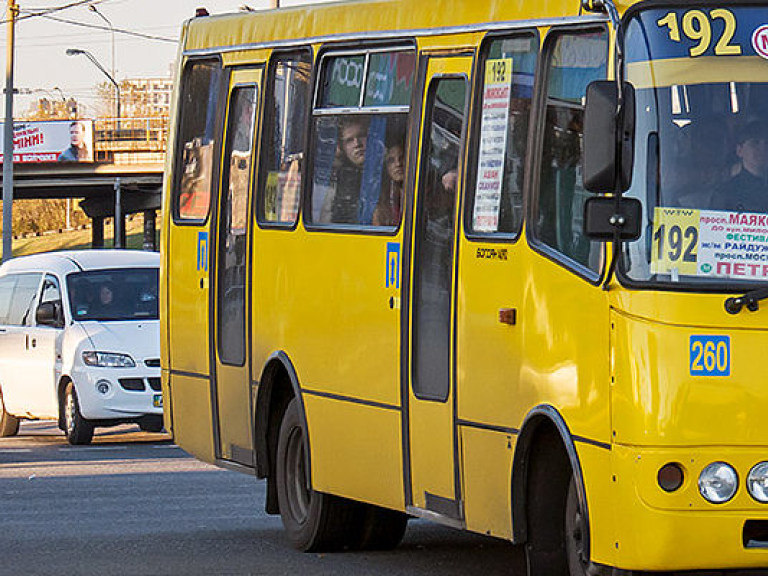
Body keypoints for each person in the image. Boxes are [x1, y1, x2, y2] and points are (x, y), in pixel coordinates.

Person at [714, 121, 768, 213]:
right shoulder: (725, 193)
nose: (763, 148)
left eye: (767, 143)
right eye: (755, 143)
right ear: (739, 150)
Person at [329, 117, 368, 224]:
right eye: (349, 140)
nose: (357, 144)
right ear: (341, 147)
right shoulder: (335, 178)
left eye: (361, 136)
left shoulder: (388, 171)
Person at [373, 142, 405, 226]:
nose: (398, 164)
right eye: (391, 161)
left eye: (402, 158)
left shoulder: (428, 192)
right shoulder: (382, 206)